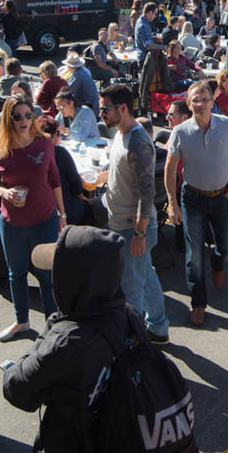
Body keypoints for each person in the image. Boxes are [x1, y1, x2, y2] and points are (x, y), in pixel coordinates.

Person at [2, 226, 131, 452]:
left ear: (72, 280)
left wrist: (54, 325)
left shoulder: (66, 341)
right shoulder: (129, 316)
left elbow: (16, 389)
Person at [164, 80, 228, 326]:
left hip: (223, 196)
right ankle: (198, 303)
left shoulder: (227, 125)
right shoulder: (180, 132)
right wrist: (172, 202)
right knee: (193, 255)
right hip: (192, 198)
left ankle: (218, 262)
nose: (201, 104)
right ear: (189, 104)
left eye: (205, 99)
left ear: (212, 102)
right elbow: (170, 168)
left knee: (227, 247)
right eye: (196, 100)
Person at [0, 96, 67, 343]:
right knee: (17, 273)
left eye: (28, 115)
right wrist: (4, 192)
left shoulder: (44, 143)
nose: (23, 120)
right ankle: (21, 321)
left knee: (46, 274)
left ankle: (53, 324)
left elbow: (54, 179)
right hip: (12, 221)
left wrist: (62, 215)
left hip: (44, 218)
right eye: (17, 116)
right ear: (8, 119)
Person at [99, 83, 169, 344]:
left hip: (133, 228)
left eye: (105, 109)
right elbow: (125, 171)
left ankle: (132, 344)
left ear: (123, 108)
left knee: (131, 289)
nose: (101, 114)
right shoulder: (121, 133)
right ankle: (158, 329)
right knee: (145, 275)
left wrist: (139, 234)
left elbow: (146, 193)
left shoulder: (138, 141)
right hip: (126, 224)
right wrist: (105, 178)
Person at [63, 52, 100, 117]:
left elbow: (68, 93)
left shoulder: (77, 77)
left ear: (70, 66)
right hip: (93, 108)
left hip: (89, 111)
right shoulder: (82, 72)